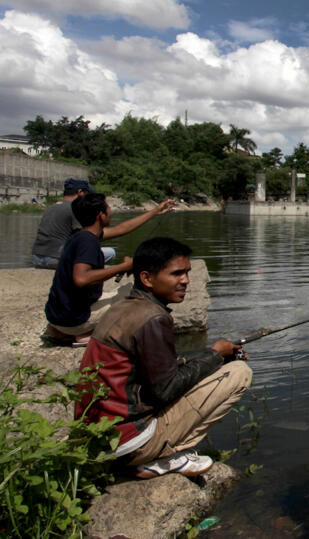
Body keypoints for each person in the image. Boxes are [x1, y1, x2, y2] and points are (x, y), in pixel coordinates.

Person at [75, 237, 252, 478]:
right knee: (239, 373)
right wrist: (214, 357)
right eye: (177, 274)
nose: (186, 281)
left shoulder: (123, 307)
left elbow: (159, 366)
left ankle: (148, 452)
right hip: (130, 443)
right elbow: (165, 389)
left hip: (102, 436)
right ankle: (163, 454)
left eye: (187, 273)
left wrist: (215, 353)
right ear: (147, 278)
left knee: (217, 363)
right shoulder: (153, 318)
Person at [42, 193, 134, 345]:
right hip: (73, 321)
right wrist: (123, 266)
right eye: (109, 208)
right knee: (133, 295)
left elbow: (122, 228)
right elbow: (81, 278)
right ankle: (87, 334)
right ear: (100, 215)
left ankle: (58, 331)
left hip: (56, 317)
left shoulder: (79, 235)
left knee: (114, 294)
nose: (111, 212)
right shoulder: (88, 242)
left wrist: (155, 211)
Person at [32, 177, 175, 269]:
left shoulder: (52, 207)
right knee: (110, 253)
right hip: (53, 260)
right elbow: (116, 231)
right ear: (81, 192)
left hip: (37, 258)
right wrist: (154, 212)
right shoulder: (76, 209)